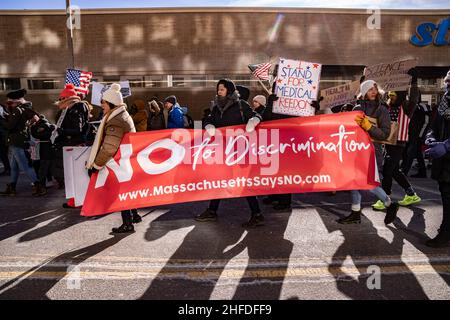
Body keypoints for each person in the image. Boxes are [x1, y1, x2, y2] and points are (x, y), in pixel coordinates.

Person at [196, 78, 264, 227]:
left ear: (229, 90)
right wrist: (208, 125)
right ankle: (212, 211)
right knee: (219, 180)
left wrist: (253, 121)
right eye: (218, 89)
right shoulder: (216, 107)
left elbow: (257, 115)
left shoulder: (241, 104)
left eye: (221, 89)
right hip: (223, 150)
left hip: (240, 151)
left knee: (244, 182)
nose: (218, 92)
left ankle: (257, 213)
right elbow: (208, 119)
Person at [338, 80, 399, 225]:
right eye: (370, 89)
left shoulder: (382, 109)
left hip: (372, 152)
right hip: (356, 150)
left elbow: (385, 134)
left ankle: (390, 205)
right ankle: (355, 213)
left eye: (375, 89)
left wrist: (368, 126)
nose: (373, 92)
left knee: (368, 182)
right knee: (354, 181)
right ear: (364, 91)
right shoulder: (357, 107)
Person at [86, 83, 141, 233]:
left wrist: (96, 165)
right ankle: (134, 215)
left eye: (103, 102)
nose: (101, 105)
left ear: (111, 103)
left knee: (121, 191)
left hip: (120, 162)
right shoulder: (120, 115)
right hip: (125, 160)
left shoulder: (115, 120)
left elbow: (109, 147)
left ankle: (127, 223)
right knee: (126, 189)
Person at [372, 81, 421, 210]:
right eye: (389, 95)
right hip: (388, 143)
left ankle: (385, 199)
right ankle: (411, 194)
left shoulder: (406, 107)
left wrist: (414, 83)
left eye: (393, 95)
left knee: (387, 170)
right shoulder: (386, 107)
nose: (391, 97)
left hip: (399, 143)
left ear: (399, 95)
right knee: (394, 170)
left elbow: (414, 99)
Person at [51, 84, 91, 208]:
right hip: (70, 146)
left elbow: (77, 130)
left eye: (62, 98)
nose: (60, 100)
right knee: (70, 175)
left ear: (67, 98)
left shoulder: (75, 109)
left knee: (76, 176)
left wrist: (62, 131)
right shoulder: (68, 109)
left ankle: (80, 200)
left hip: (75, 146)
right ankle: (73, 199)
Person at [0, 89, 44, 196]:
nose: (9, 105)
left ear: (17, 101)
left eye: (10, 102)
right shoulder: (25, 108)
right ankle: (12, 187)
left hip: (16, 141)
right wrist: (27, 125)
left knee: (25, 166)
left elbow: (10, 126)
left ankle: (38, 186)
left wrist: (0, 119)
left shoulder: (18, 110)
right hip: (18, 140)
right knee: (14, 166)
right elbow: (36, 118)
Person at [424, 70, 450, 247]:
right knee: (446, 195)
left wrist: (447, 145)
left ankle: (446, 232)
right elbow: (435, 124)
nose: (447, 83)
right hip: (444, 162)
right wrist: (430, 137)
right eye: (448, 81)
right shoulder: (444, 102)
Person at [402, 100, 432, 178]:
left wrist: (421, 134)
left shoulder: (421, 106)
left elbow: (426, 121)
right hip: (413, 133)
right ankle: (422, 172)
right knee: (417, 153)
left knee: (410, 152)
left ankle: (404, 171)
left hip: (417, 134)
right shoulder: (412, 106)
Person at [30, 115, 56, 195]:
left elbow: (36, 135)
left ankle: (42, 188)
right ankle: (43, 186)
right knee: (43, 169)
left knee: (42, 170)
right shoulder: (46, 125)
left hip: (45, 150)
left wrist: (35, 130)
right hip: (44, 150)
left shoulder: (44, 125)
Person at [0, 103, 11, 176]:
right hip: (3, 136)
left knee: (3, 153)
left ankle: (8, 169)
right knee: (3, 154)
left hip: (2, 137)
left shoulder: (2, 119)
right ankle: (8, 169)